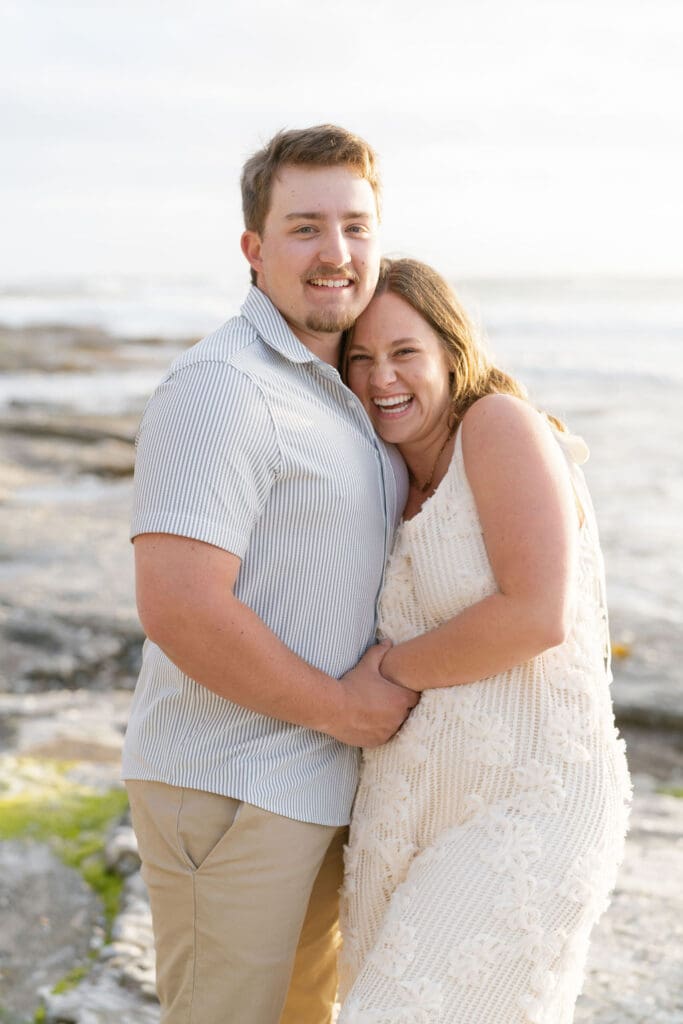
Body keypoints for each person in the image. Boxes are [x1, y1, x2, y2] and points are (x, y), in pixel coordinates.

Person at [121, 126, 418, 1024]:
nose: (336, 253)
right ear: (254, 249)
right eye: (305, 228)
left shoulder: (345, 389)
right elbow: (179, 606)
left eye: (356, 227)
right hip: (228, 785)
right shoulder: (222, 386)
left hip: (318, 782)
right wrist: (344, 710)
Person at [337, 258, 632, 1023]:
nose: (380, 377)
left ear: (450, 351)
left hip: (528, 803)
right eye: (360, 358)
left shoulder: (496, 425)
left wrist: (388, 670)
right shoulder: (380, 472)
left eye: (403, 352)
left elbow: (536, 614)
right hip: (407, 810)